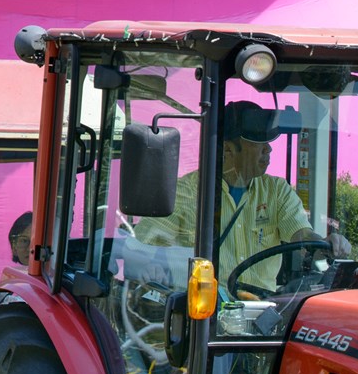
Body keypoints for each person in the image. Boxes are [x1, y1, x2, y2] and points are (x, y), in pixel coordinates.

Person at [136, 100, 323, 294]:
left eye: (267, 142)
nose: (268, 149)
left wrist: (322, 244)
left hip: (261, 312)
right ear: (227, 149)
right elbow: (143, 243)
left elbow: (301, 235)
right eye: (257, 142)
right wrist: (151, 265)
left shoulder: (276, 191)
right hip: (204, 314)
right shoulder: (188, 191)